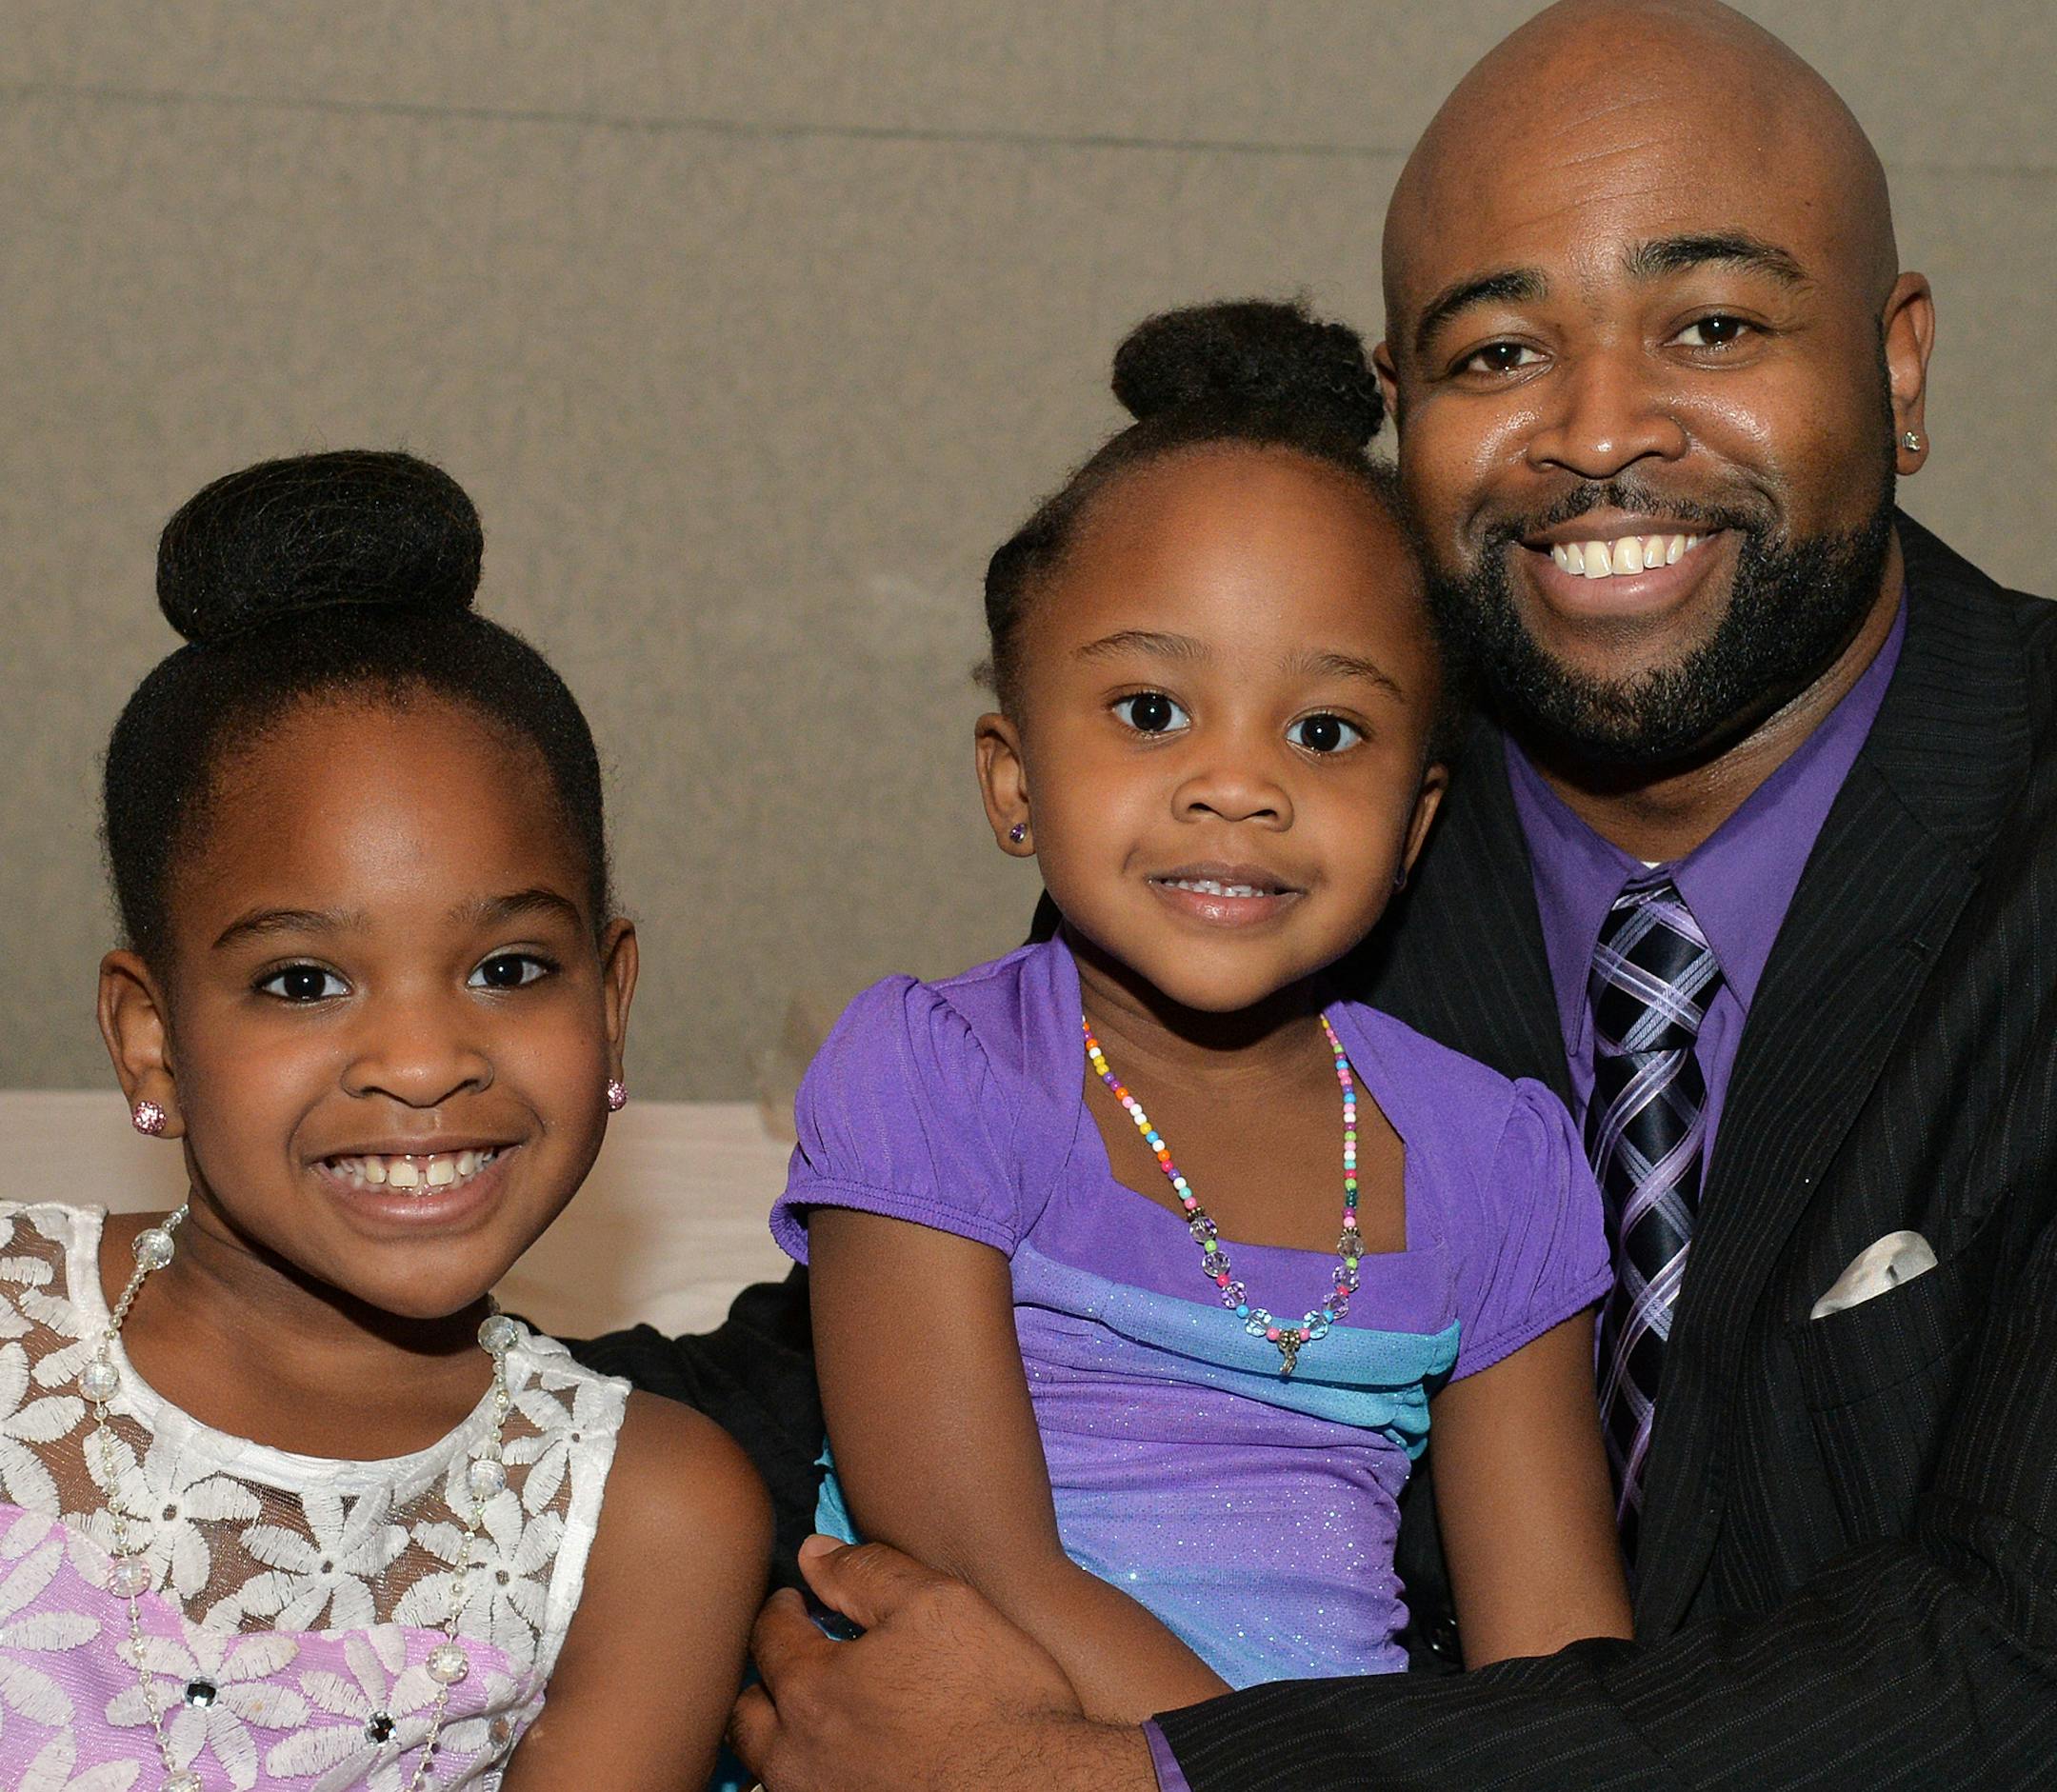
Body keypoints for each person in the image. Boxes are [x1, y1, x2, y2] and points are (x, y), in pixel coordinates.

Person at [727, 2, 2057, 1787]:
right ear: (1402, 406)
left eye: (1715, 323)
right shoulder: (1291, 838)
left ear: (1897, 369)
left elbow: (2010, 1649)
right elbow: (914, 1310)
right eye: (1500, 351)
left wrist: (1123, 1775)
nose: (1598, 434)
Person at [769, 299, 1632, 1722]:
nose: (1239, 783)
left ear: (1416, 823)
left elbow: (1558, 1675)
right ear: (1012, 776)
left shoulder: (1502, 1158)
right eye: (1152, 710)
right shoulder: (938, 1073)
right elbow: (979, 1566)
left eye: (1326, 730)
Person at [0, 451, 769, 1788]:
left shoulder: (647, 1518)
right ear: (152, 1037)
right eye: (302, 981)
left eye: (510, 968)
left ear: (613, 998)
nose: (422, 1062)